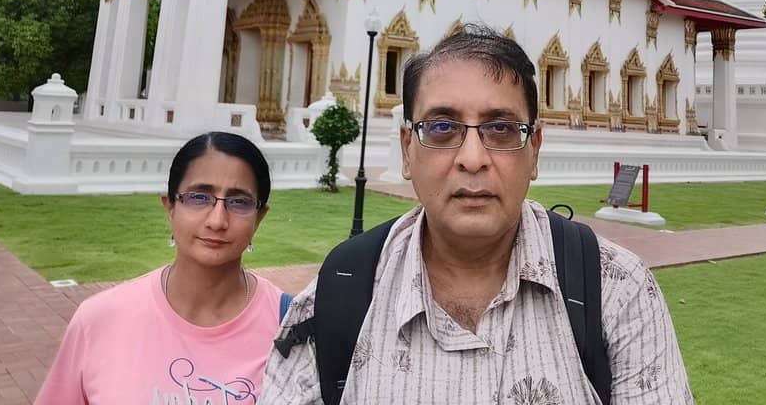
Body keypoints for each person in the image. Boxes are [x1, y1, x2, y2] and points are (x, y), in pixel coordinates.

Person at [260, 25, 693, 404]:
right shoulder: (340, 292)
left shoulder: (617, 290)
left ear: (534, 150)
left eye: (501, 128)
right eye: (442, 127)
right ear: (407, 150)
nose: (472, 158)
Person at [36, 131, 284, 404]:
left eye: (238, 202)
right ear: (170, 207)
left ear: (259, 217)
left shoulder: (291, 329)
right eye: (199, 197)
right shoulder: (99, 320)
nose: (217, 221)